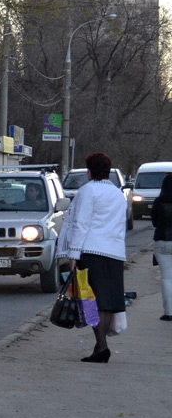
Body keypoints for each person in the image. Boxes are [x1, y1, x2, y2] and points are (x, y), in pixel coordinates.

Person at [60, 152, 128, 363]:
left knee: (90, 299)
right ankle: (100, 347)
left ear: (89, 172)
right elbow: (121, 224)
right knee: (107, 301)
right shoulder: (118, 193)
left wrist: (73, 254)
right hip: (115, 252)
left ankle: (101, 347)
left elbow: (81, 223)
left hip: (91, 252)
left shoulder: (87, 191)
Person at [149, 174, 172, 322]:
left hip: (162, 241)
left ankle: (169, 312)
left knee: (166, 278)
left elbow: (154, 222)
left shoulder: (159, 202)